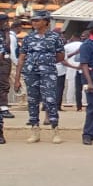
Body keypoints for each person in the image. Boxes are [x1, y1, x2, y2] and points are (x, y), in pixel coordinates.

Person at [13, 10, 65, 144]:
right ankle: (35, 130)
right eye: (33, 20)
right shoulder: (28, 38)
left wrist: (46, 63)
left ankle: (55, 129)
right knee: (32, 101)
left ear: (46, 22)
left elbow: (60, 56)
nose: (34, 22)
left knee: (50, 100)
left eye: (37, 20)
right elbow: (22, 58)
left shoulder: (54, 37)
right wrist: (17, 78)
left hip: (48, 73)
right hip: (31, 73)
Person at [0, 14, 17, 120]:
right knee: (3, 84)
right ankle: (3, 108)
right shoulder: (5, 33)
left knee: (4, 84)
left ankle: (3, 107)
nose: (7, 24)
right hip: (2, 60)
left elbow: (8, 48)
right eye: (5, 21)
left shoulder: (6, 33)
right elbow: (6, 45)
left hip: (5, 60)